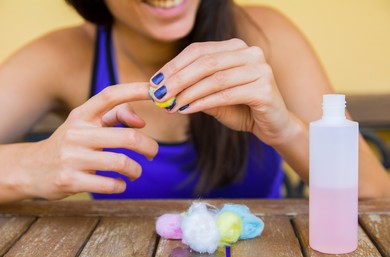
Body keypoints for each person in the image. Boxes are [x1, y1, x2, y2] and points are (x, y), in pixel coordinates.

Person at [0, 0, 389, 203]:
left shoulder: (267, 33)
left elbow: (377, 194)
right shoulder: (63, 55)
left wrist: (285, 129)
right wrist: (27, 165)